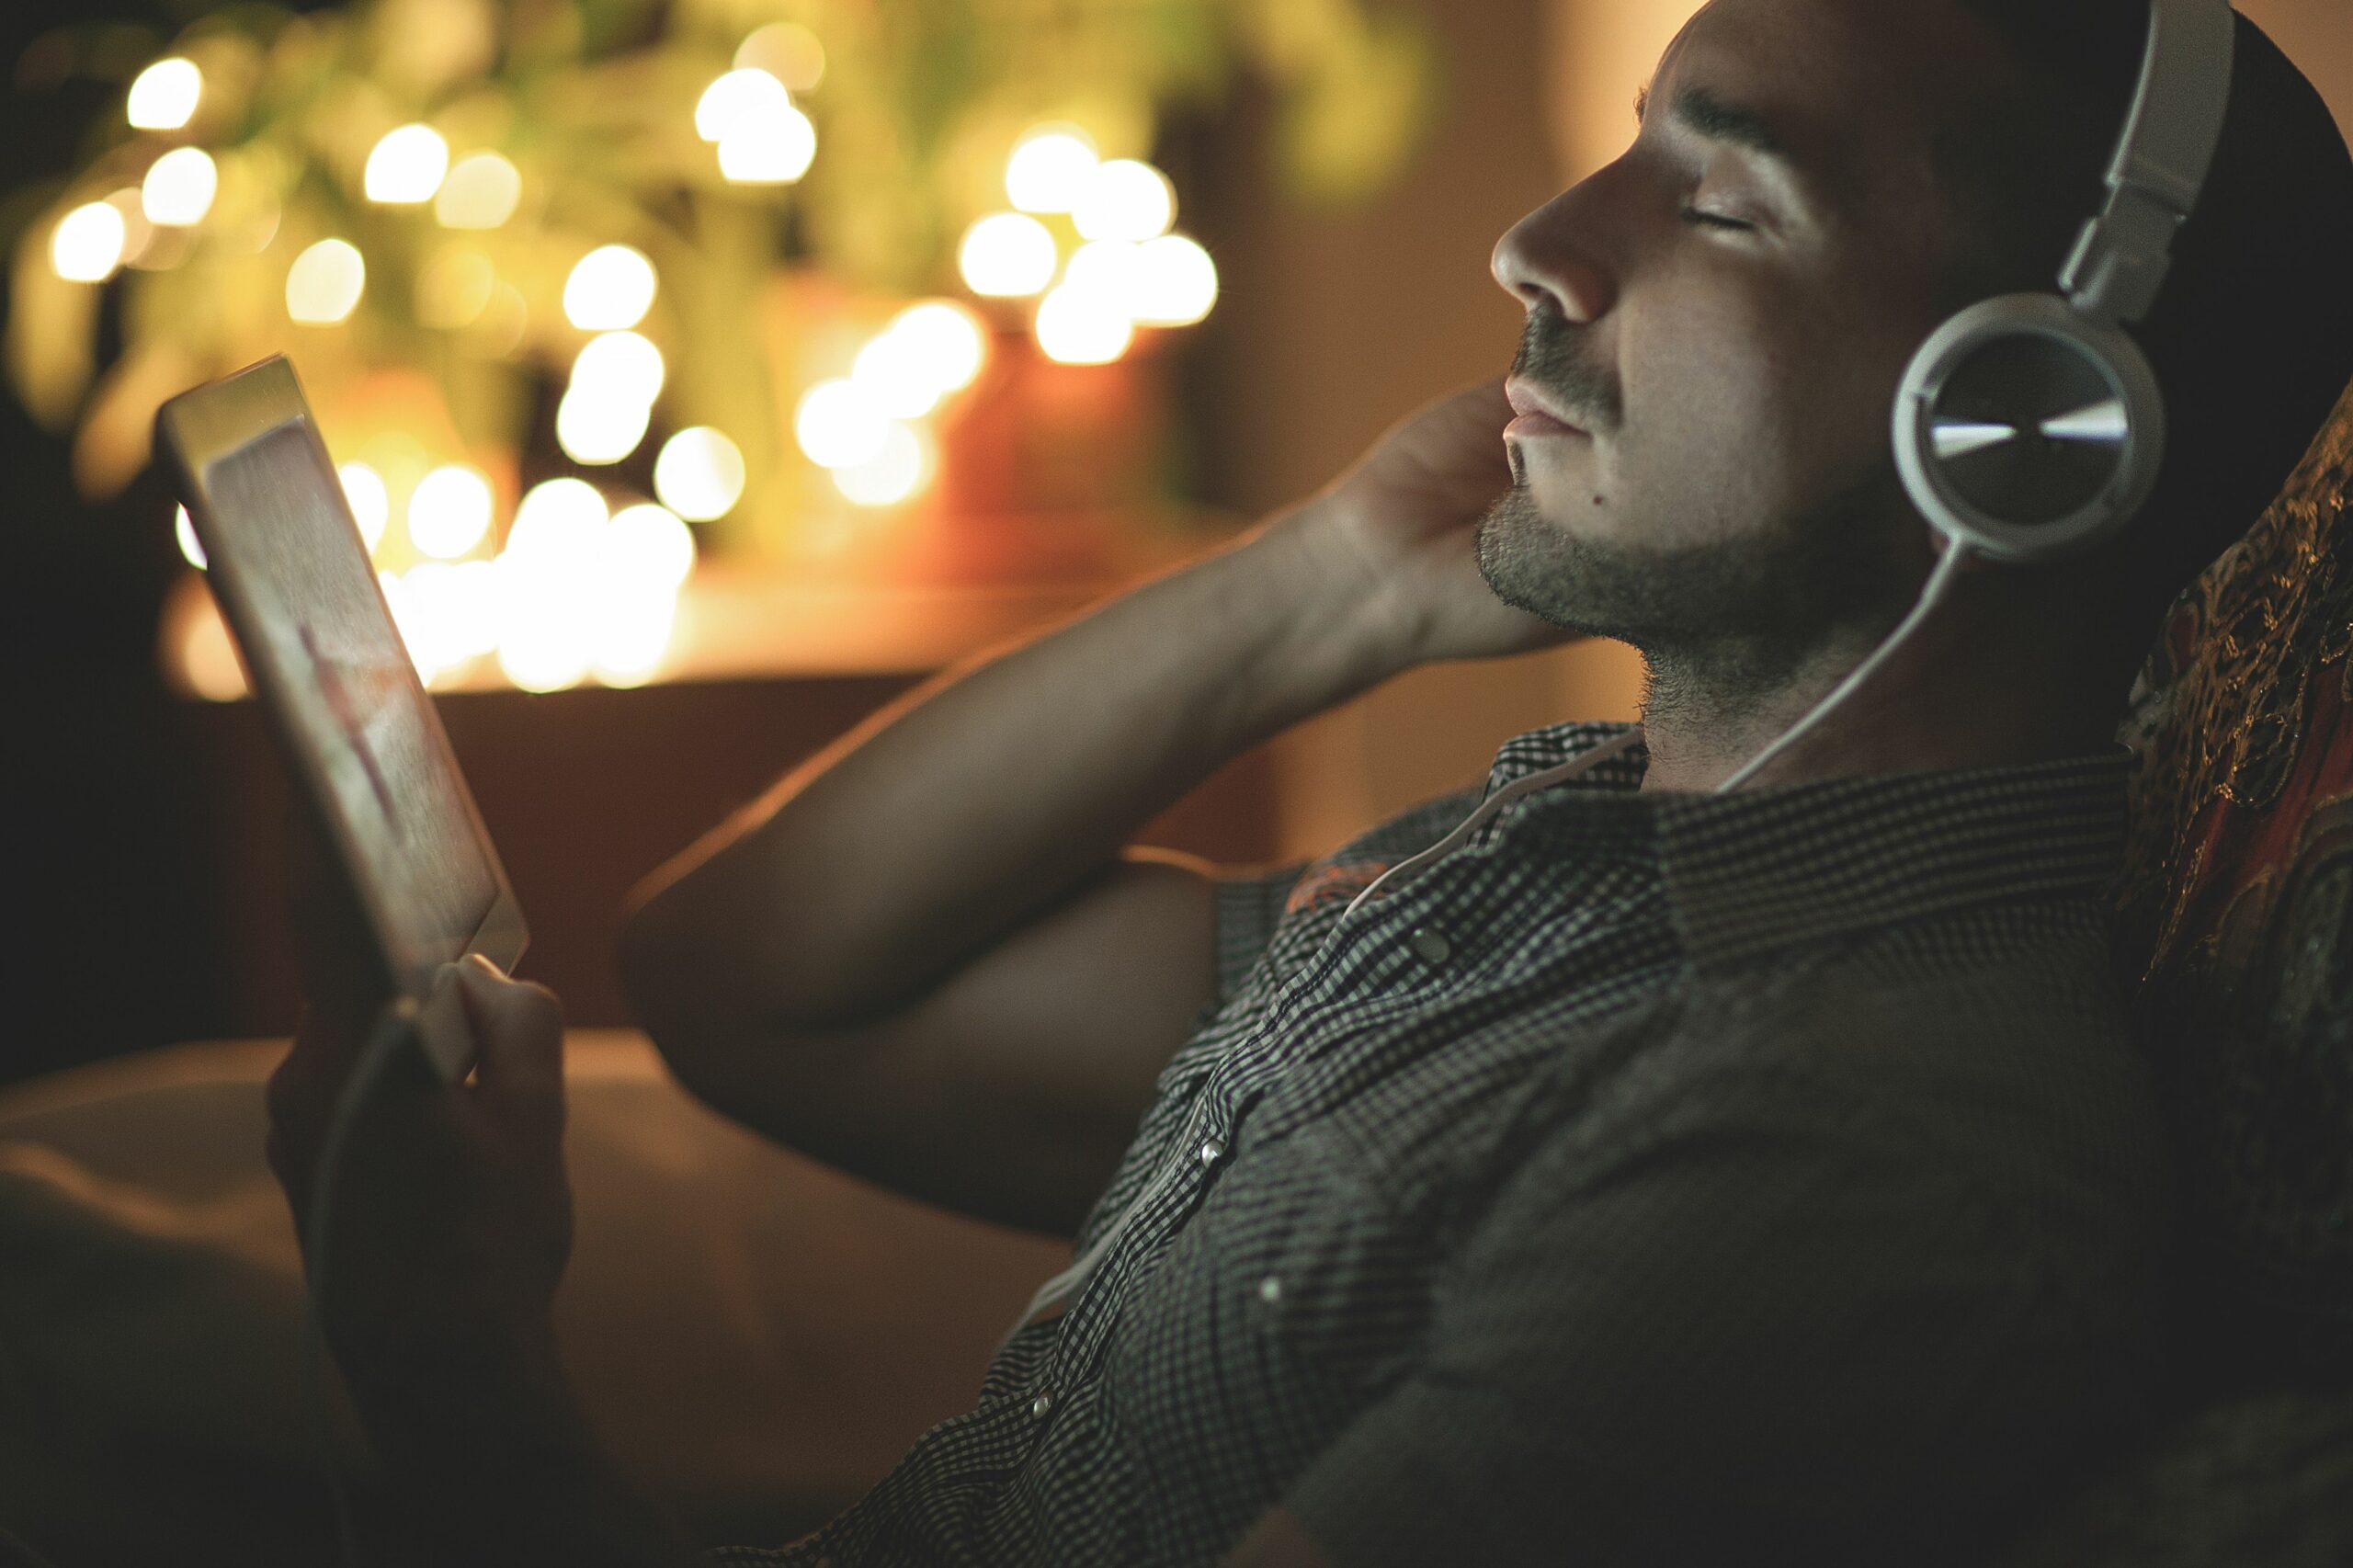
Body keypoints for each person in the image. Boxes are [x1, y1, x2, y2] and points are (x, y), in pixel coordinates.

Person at [260, 1, 2353, 1564]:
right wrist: (1335, 579)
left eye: (1715, 201)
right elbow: (756, 973)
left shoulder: (1856, 1155)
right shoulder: (1587, 865)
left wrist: (459, 1398)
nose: (1537, 242)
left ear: (2018, 428)